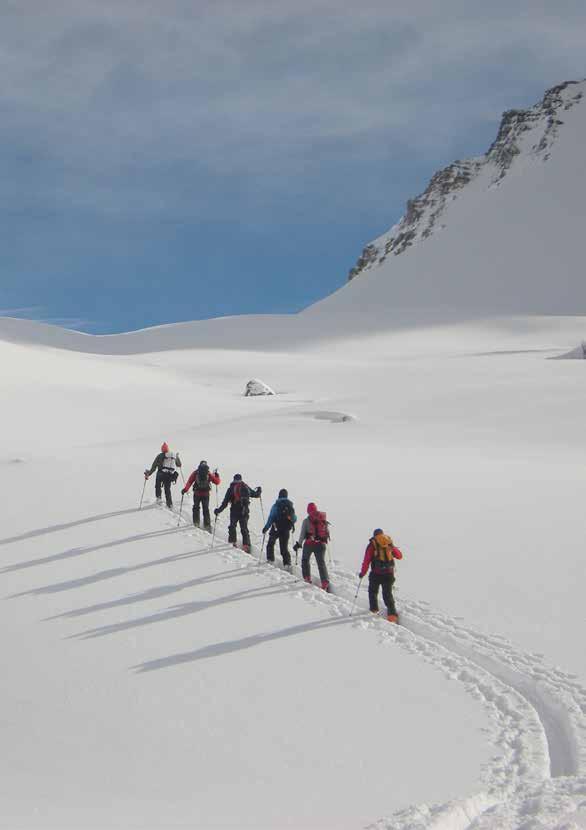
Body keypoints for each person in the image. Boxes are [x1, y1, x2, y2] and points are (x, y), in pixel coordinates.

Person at [358, 528, 403, 623]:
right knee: (387, 594)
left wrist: (362, 573)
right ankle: (392, 615)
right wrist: (392, 548)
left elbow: (366, 561)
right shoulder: (388, 543)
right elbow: (399, 556)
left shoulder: (372, 545)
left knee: (373, 592)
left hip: (376, 573)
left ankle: (374, 610)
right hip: (389, 574)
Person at [214, 474, 261, 553]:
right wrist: (259, 490)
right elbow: (256, 495)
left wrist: (218, 510)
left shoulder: (231, 489)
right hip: (245, 510)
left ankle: (233, 542)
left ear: (234, 479)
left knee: (232, 526)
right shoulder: (245, 486)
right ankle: (246, 545)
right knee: (244, 528)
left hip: (234, 510)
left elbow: (225, 503)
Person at [293, 502, 330, 591]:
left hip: (309, 544)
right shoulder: (322, 518)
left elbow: (302, 534)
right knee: (321, 563)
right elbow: (326, 532)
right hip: (321, 544)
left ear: (308, 510)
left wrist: (299, 544)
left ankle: (307, 578)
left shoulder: (306, 520)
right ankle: (325, 582)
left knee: (305, 560)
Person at [262, 489, 296, 572]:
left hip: (276, 528)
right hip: (286, 530)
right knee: (284, 547)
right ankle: (287, 564)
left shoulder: (276, 505)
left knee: (270, 544)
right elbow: (294, 518)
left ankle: (270, 560)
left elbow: (271, 517)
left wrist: (266, 527)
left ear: (279, 495)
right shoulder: (290, 506)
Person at [181, 461, 221, 530]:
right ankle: (207, 525)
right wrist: (217, 476)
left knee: (196, 508)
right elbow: (217, 482)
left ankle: (196, 522)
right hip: (206, 494)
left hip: (197, 493)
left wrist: (185, 489)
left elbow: (190, 481)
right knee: (206, 509)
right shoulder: (208, 473)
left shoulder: (196, 472)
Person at [144, 442, 182, 508]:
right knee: (167, 489)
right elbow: (179, 465)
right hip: (169, 475)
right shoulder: (173, 456)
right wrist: (177, 457)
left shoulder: (160, 456)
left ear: (162, 449)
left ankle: (159, 499)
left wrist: (148, 474)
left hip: (161, 474)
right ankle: (169, 504)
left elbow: (154, 467)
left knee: (158, 486)